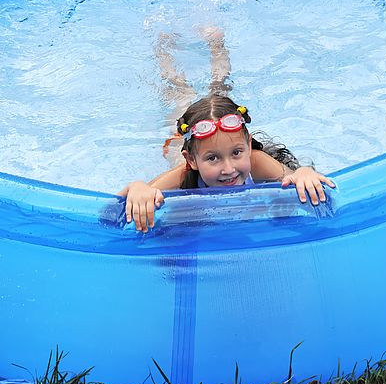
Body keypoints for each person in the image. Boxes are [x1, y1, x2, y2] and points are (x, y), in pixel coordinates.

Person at [119, 28, 335, 232]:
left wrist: (305, 172)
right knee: (180, 94)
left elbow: (295, 177)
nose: (228, 168)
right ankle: (164, 49)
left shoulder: (257, 162)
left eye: (237, 152)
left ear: (249, 146)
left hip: (201, 143)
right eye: (213, 158)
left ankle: (216, 42)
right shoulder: (184, 173)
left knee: (220, 86)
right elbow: (138, 193)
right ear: (192, 160)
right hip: (179, 147)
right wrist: (138, 188)